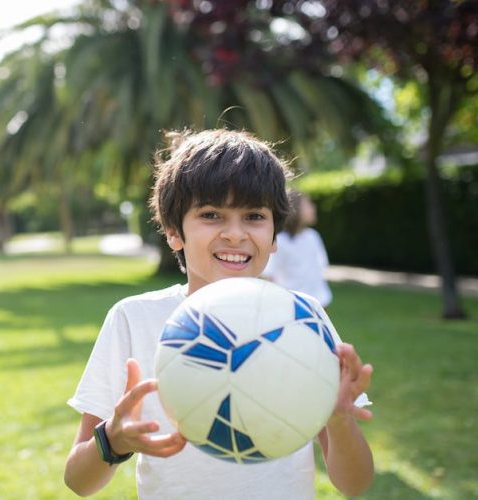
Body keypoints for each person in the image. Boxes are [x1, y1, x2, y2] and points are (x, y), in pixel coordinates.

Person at [64, 129, 374, 499]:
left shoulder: (302, 318)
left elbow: (354, 483)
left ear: (275, 235)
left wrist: (339, 421)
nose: (235, 234)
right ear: (173, 231)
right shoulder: (134, 319)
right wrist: (111, 442)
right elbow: (79, 481)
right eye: (211, 215)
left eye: (254, 216)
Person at [262, 190, 332, 307]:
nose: (313, 208)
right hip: (293, 305)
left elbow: (321, 265)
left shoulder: (313, 236)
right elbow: (269, 273)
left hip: (320, 303)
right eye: (308, 204)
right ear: (294, 208)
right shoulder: (280, 241)